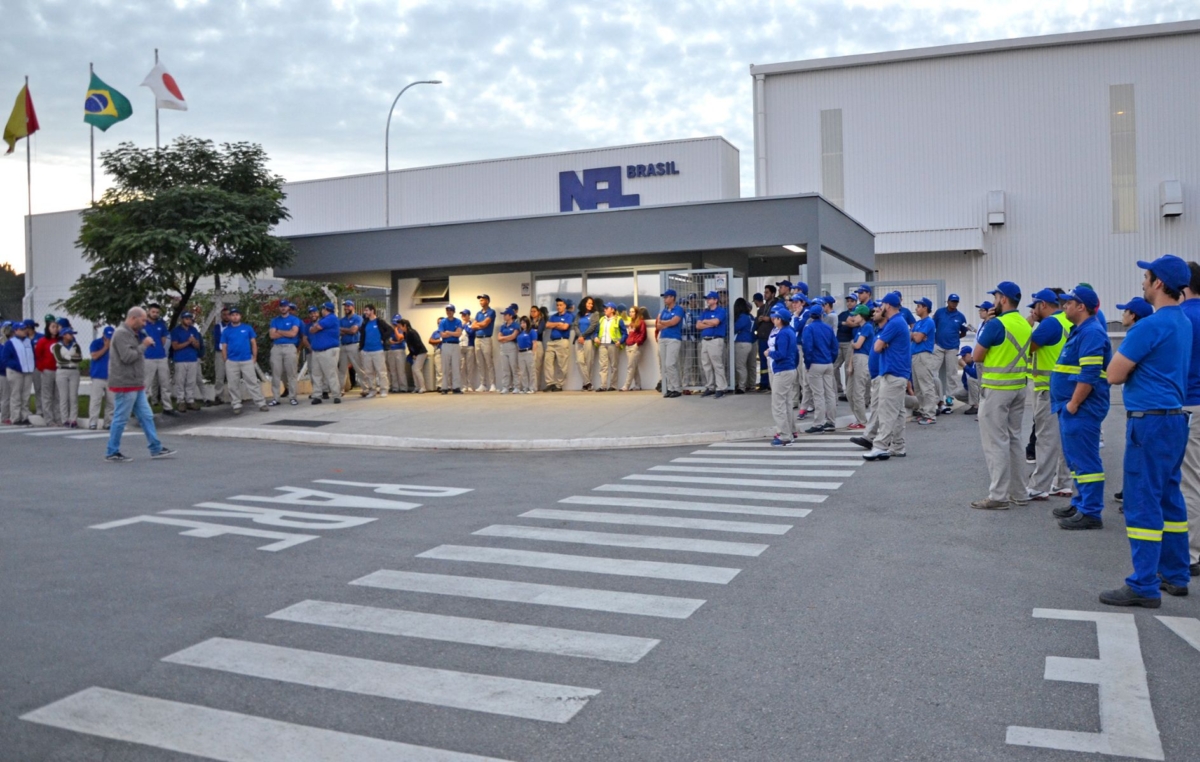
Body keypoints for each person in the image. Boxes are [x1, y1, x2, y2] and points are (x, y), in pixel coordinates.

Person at [1102, 255, 1193, 607]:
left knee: (1142, 502)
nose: (1142, 281)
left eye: (1146, 276)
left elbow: (1114, 373)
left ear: (1158, 283)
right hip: (1173, 419)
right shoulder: (1181, 321)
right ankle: (1175, 573)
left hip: (1149, 422)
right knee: (1170, 497)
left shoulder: (1148, 326)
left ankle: (1142, 584)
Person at [1048, 286, 1112, 531]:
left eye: (1068, 303)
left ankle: (1091, 512)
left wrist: (1074, 403)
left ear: (1081, 306)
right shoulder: (1081, 331)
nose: (1064, 306)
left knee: (1086, 461)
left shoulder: (1092, 332)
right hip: (1071, 407)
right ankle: (1080, 503)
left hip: (1081, 407)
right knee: (1076, 460)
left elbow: (1090, 372)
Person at [970, 281, 1032, 510]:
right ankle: (1020, 492)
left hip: (997, 389)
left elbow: (977, 355)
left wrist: (988, 323)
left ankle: (998, 495)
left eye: (996, 296)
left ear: (1003, 299)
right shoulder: (1024, 324)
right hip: (1018, 387)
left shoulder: (995, 324)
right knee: (1015, 439)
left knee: (995, 442)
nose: (994, 300)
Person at [105, 307, 175, 462]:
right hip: (125, 382)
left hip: (136, 383)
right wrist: (144, 345)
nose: (145, 323)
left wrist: (141, 342)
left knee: (147, 416)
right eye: (143, 320)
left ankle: (156, 448)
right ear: (133, 318)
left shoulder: (134, 334)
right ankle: (112, 451)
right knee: (121, 418)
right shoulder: (121, 334)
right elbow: (127, 357)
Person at [1025, 288, 1072, 501]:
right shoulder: (1067, 321)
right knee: (1063, 439)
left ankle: (1039, 485)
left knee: (1045, 438)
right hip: (1067, 386)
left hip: (1048, 388)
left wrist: (1029, 323)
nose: (1033, 311)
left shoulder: (1050, 324)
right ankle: (1063, 483)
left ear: (1043, 304)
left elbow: (1026, 347)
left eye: (1034, 306)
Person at [864, 292, 911, 460]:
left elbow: (877, 346)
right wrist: (885, 344)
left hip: (892, 373)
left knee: (886, 412)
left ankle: (880, 446)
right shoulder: (898, 322)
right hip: (898, 373)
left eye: (882, 305)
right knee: (897, 412)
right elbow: (880, 345)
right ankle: (898, 446)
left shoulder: (894, 322)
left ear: (888, 306)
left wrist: (884, 344)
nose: (880, 308)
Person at [220, 307, 268, 415]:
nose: (235, 316)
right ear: (230, 317)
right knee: (233, 384)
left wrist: (254, 357)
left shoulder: (247, 328)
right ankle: (236, 404)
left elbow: (253, 343)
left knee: (252, 382)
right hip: (232, 361)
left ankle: (261, 403)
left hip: (246, 359)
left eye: (237, 314)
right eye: (232, 315)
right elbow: (224, 346)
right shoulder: (226, 331)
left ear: (240, 316)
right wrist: (225, 359)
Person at [801, 304, 839, 434]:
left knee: (818, 394)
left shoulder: (809, 328)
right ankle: (831, 421)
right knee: (830, 393)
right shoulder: (828, 328)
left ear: (811, 316)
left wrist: (807, 364)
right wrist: (831, 359)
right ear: (822, 315)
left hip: (815, 363)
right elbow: (835, 347)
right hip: (828, 362)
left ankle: (818, 423)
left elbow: (808, 348)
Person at [767, 304, 799, 446]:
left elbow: (781, 354)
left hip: (782, 370)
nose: (774, 319)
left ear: (780, 319)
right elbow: (795, 353)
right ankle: (791, 430)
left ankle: (785, 436)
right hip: (790, 369)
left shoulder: (782, 333)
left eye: (776, 317)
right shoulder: (790, 331)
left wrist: (769, 353)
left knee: (778, 404)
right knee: (787, 402)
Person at [932, 294, 969, 412]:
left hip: (952, 347)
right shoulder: (939, 313)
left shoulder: (961, 317)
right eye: (952, 301)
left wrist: (954, 337)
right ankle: (935, 396)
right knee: (932, 370)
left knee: (951, 373)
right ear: (947, 301)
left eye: (956, 302)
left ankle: (949, 397)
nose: (954, 303)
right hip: (938, 345)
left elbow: (963, 332)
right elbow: (933, 326)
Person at [142, 303, 175, 417]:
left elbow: (163, 339)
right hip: (148, 358)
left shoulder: (161, 324)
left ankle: (167, 407)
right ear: (148, 311)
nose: (155, 314)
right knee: (146, 385)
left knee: (165, 383)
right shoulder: (142, 324)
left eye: (157, 312)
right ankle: (143, 410)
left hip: (161, 357)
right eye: (153, 312)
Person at [910, 297, 938, 425]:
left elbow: (917, 338)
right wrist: (914, 334)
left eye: (919, 306)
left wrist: (915, 335)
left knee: (926, 386)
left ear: (925, 308)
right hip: (915, 355)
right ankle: (923, 411)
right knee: (918, 387)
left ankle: (930, 414)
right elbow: (911, 336)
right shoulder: (918, 323)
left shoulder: (928, 322)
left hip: (923, 355)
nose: (916, 308)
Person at [267, 300, 301, 406]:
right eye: (281, 306)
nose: (283, 308)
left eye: (285, 306)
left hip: (290, 347)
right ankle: (276, 398)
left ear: (288, 308)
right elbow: (272, 335)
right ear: (279, 308)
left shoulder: (294, 319)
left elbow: (293, 333)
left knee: (292, 374)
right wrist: (286, 332)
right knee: (276, 374)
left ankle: (293, 397)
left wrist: (279, 331)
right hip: (276, 348)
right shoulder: (274, 320)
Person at [307, 301, 342, 404]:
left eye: (322, 309)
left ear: (325, 309)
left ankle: (336, 395)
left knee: (331, 373)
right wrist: (313, 329)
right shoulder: (324, 319)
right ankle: (317, 395)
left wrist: (313, 328)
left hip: (328, 350)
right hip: (318, 351)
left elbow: (315, 328)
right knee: (316, 374)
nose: (321, 311)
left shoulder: (331, 318)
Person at [2, 321, 35, 425]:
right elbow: (5, 358)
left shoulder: (29, 342)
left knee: (25, 395)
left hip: (28, 371)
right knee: (16, 395)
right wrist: (17, 366)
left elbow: (32, 355)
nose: (25, 331)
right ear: (16, 331)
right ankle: (15, 417)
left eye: (25, 329)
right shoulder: (10, 343)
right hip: (15, 372)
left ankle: (25, 416)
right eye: (22, 329)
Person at [170, 311, 205, 411]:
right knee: (180, 381)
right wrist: (188, 342)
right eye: (186, 319)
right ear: (182, 320)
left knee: (191, 381)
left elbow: (198, 346)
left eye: (190, 319)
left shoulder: (193, 330)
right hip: (180, 359)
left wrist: (194, 342)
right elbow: (175, 346)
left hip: (192, 358)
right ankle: (180, 401)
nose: (188, 321)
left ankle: (190, 400)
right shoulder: (176, 331)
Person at [696, 291, 728, 398]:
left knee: (717, 365)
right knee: (706, 365)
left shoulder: (721, 311)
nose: (707, 300)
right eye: (707, 299)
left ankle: (721, 388)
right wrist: (708, 323)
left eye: (709, 299)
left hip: (715, 340)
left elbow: (716, 322)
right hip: (705, 340)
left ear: (715, 300)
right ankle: (710, 387)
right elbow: (698, 326)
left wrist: (705, 322)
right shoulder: (705, 312)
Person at [357, 305, 392, 398]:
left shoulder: (379, 322)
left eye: (367, 310)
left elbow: (390, 330)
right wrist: (361, 348)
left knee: (381, 371)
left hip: (378, 350)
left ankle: (384, 389)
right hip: (366, 351)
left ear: (372, 311)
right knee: (369, 372)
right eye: (365, 311)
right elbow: (362, 335)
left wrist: (383, 338)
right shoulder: (365, 323)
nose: (365, 312)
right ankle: (372, 390)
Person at [51, 327, 83, 428]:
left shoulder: (75, 345)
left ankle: (73, 419)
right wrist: (72, 357)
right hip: (62, 371)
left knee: (73, 396)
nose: (72, 336)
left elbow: (79, 358)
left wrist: (67, 356)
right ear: (64, 335)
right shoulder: (57, 346)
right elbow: (60, 359)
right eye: (70, 334)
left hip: (74, 371)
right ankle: (64, 419)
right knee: (63, 396)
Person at [657, 289, 685, 398]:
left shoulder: (679, 309)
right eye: (664, 297)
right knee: (665, 365)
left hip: (674, 339)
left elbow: (674, 322)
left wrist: (665, 323)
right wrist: (667, 323)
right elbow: (658, 325)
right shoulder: (664, 310)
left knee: (670, 364)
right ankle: (670, 388)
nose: (665, 299)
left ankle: (677, 388)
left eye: (666, 297)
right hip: (663, 338)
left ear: (672, 297)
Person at [34, 319, 61, 425]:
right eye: (52, 327)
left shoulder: (60, 340)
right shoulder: (43, 341)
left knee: (57, 395)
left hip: (58, 370)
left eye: (56, 327)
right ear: (48, 329)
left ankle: (58, 418)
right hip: (47, 370)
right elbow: (38, 355)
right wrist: (42, 367)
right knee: (47, 395)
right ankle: (49, 419)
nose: (55, 329)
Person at [87, 326, 115, 430]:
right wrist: (106, 347)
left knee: (111, 402)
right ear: (103, 335)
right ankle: (93, 422)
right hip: (98, 376)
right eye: (107, 337)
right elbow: (94, 356)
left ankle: (108, 422)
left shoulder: (116, 344)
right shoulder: (96, 343)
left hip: (111, 377)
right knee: (96, 400)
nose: (109, 339)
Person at [595, 302, 625, 392]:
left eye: (606, 308)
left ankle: (613, 385)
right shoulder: (601, 320)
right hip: (602, 344)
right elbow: (596, 331)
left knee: (614, 366)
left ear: (612, 310)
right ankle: (603, 385)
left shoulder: (618, 319)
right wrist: (596, 337)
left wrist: (620, 341)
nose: (604, 310)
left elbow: (625, 333)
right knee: (603, 366)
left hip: (613, 344)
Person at [544, 298, 572, 392]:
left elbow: (565, 327)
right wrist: (558, 323)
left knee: (562, 365)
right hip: (552, 342)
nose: (558, 307)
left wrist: (555, 325)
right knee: (548, 362)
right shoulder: (553, 316)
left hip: (562, 341)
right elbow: (547, 325)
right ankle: (550, 383)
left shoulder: (568, 316)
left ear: (564, 306)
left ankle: (559, 385)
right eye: (557, 305)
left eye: (560, 305)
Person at [471, 295, 496, 392]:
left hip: (486, 339)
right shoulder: (478, 313)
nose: (480, 301)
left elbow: (486, 324)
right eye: (480, 300)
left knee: (489, 362)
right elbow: (473, 326)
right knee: (480, 362)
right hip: (477, 339)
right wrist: (480, 325)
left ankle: (493, 384)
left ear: (487, 301)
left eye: (482, 300)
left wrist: (479, 325)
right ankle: (483, 384)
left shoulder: (491, 312)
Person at [574, 296, 600, 391]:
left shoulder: (595, 314)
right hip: (579, 341)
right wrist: (580, 336)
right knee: (579, 361)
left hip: (589, 340)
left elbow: (593, 326)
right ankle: (588, 383)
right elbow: (575, 325)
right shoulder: (579, 314)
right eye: (588, 303)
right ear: (584, 303)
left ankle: (585, 385)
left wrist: (583, 336)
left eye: (592, 303)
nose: (590, 305)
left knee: (589, 363)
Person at [437, 304, 464, 394]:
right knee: (445, 367)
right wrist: (453, 333)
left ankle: (456, 387)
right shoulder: (443, 322)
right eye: (447, 310)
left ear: (453, 311)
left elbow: (459, 334)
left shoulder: (458, 321)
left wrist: (449, 332)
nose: (449, 312)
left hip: (455, 345)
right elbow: (442, 334)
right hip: (446, 345)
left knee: (456, 366)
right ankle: (444, 387)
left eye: (450, 310)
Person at [620, 306, 648, 392]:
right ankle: (637, 385)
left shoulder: (641, 322)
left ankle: (626, 385)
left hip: (635, 346)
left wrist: (637, 343)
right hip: (628, 345)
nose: (630, 313)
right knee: (634, 367)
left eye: (632, 312)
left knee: (630, 366)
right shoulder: (630, 323)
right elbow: (630, 334)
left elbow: (643, 335)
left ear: (636, 313)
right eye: (630, 311)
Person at [834, 295, 857, 397]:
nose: (849, 303)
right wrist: (845, 323)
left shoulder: (857, 314)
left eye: (852, 301)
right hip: (839, 342)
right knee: (834, 366)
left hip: (849, 343)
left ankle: (849, 391)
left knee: (848, 367)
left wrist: (849, 324)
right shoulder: (843, 314)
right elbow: (836, 323)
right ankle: (838, 388)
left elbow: (854, 324)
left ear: (856, 302)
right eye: (848, 301)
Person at [755, 287, 777, 391]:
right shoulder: (762, 308)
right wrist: (759, 320)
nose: (765, 294)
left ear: (773, 294)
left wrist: (769, 319)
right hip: (762, 337)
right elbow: (755, 324)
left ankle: (772, 383)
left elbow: (781, 320)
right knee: (763, 361)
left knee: (772, 361)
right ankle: (764, 382)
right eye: (764, 292)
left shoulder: (777, 306)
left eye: (767, 293)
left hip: (772, 338)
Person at [732, 297, 756, 394]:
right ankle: (743, 384)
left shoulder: (742, 317)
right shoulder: (748, 317)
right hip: (747, 342)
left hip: (742, 343)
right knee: (744, 365)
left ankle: (741, 386)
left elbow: (735, 328)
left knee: (740, 365)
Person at [398, 319, 427, 393]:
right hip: (415, 353)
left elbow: (417, 344)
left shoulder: (412, 332)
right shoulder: (406, 333)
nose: (399, 328)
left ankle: (422, 387)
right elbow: (409, 346)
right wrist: (411, 354)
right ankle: (417, 387)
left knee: (416, 369)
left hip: (420, 352)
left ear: (405, 325)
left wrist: (415, 354)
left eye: (400, 326)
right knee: (414, 369)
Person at [210, 306, 232, 405]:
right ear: (221, 316)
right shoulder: (217, 326)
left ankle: (234, 397)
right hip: (220, 353)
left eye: (228, 314)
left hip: (232, 353)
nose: (226, 316)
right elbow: (218, 341)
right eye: (224, 315)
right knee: (219, 376)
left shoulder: (234, 326)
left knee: (232, 376)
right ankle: (218, 396)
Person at [496, 307, 520, 393]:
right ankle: (505, 386)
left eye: (505, 315)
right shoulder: (503, 326)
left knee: (514, 367)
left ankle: (516, 386)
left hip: (512, 347)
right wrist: (506, 338)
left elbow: (514, 336)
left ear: (510, 316)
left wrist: (504, 338)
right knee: (505, 368)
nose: (504, 316)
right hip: (503, 347)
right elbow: (498, 338)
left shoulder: (516, 325)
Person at [952, 346, 979, 415]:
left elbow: (976, 375)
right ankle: (978, 404)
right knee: (957, 394)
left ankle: (976, 406)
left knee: (971, 380)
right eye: (962, 356)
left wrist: (964, 366)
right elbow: (964, 380)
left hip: (981, 386)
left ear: (970, 354)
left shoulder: (976, 362)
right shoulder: (967, 364)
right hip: (974, 388)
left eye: (964, 355)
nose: (962, 358)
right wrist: (970, 390)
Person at [387, 314, 409, 394]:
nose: (395, 325)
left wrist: (396, 329)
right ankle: (395, 387)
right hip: (391, 351)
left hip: (400, 351)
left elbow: (399, 338)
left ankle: (403, 387)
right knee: (393, 370)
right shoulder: (390, 330)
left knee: (401, 370)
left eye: (396, 323)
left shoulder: (402, 330)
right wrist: (394, 341)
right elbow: (389, 341)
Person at [458, 309, 477, 392]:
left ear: (468, 316)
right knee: (462, 367)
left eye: (465, 315)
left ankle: (470, 385)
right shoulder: (459, 325)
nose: (463, 317)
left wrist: (465, 326)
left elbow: (472, 333)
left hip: (469, 346)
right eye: (462, 315)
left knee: (470, 366)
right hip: (460, 346)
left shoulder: (472, 324)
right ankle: (464, 385)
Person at [516, 315, 537, 394]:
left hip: (528, 352)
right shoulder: (520, 332)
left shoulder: (531, 331)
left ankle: (532, 388)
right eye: (521, 323)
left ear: (527, 323)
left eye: (524, 323)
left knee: (531, 371)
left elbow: (534, 343)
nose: (522, 324)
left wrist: (533, 353)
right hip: (521, 353)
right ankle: (525, 387)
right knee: (523, 372)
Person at [529, 305, 547, 392]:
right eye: (531, 311)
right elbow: (525, 331)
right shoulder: (529, 321)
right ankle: (532, 385)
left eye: (534, 311)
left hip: (538, 343)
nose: (532, 313)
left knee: (537, 366)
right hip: (530, 344)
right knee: (531, 366)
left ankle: (536, 386)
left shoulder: (541, 321)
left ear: (538, 312)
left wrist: (532, 331)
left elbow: (539, 331)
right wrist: (533, 331)